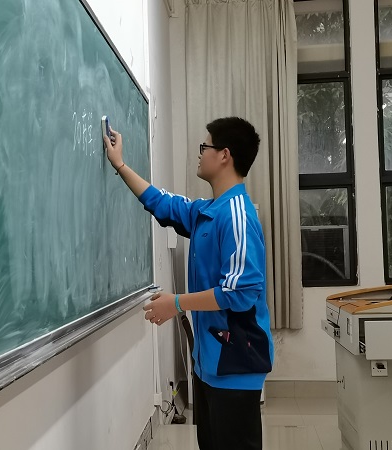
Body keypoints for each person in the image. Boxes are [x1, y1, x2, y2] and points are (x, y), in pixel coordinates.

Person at [103, 117, 273, 450]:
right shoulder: (207, 211)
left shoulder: (236, 215)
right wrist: (120, 165)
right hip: (209, 362)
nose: (199, 154)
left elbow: (239, 292)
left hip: (236, 365)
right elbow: (162, 203)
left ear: (224, 155)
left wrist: (177, 303)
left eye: (204, 146)